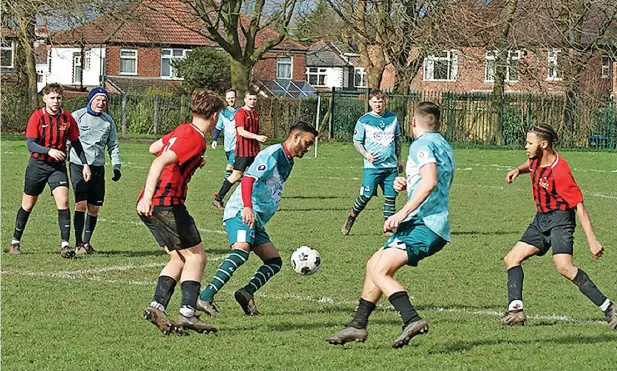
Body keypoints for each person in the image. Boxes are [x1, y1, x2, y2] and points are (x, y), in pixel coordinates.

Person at [326, 102, 454, 348]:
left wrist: (401, 212)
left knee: (380, 271)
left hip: (424, 223)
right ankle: (358, 325)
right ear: (438, 123)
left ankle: (411, 319)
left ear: (413, 122)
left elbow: (430, 181)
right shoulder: (443, 145)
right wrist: (408, 183)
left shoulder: (421, 144)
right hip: (429, 222)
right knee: (373, 264)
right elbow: (433, 181)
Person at [501, 124, 617, 328]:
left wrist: (592, 241)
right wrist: (518, 170)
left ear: (543, 144)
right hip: (541, 220)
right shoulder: (536, 159)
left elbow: (579, 207)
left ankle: (610, 308)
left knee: (564, 267)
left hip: (561, 221)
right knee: (512, 258)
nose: (525, 146)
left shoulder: (561, 171)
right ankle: (516, 311)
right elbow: (531, 165)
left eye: (529, 143)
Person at [197, 122, 318, 317]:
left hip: (256, 218)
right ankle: (204, 297)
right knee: (241, 251)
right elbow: (248, 179)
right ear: (295, 137)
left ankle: (246, 293)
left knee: (273, 261)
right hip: (241, 211)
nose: (308, 147)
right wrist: (247, 207)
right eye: (307, 142)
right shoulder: (273, 154)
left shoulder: (289, 160)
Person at [137, 89, 225, 335]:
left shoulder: (183, 130)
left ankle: (157, 306)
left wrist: (190, 160)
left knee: (179, 258)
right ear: (215, 116)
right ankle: (187, 314)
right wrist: (148, 196)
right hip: (165, 203)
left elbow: (155, 147)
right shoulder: (195, 139)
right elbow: (158, 161)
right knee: (197, 257)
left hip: (153, 205)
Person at [9, 83, 91, 258]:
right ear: (44, 99)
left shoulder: (67, 118)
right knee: (28, 204)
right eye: (52, 98)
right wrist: (49, 151)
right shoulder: (37, 117)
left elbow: (76, 143)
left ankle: (65, 245)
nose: (56, 101)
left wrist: (85, 164)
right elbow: (30, 143)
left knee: (63, 201)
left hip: (57, 167)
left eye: (59, 98)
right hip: (37, 165)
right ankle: (15, 241)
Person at [341, 90, 403, 236]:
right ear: (370, 103)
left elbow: (398, 139)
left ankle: (388, 228)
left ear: (385, 102)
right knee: (366, 196)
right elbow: (357, 142)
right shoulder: (364, 120)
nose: (378, 105)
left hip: (390, 167)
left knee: (390, 197)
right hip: (372, 167)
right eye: (375, 102)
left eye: (380, 101)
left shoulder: (393, 118)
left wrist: (399, 158)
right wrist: (366, 154)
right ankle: (351, 218)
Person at [69, 87, 121, 254]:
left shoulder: (108, 121)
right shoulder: (77, 116)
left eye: (104, 100)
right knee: (80, 204)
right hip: (78, 165)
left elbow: (113, 144)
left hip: (97, 167)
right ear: (91, 100)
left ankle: (86, 242)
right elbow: (68, 141)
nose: (101, 103)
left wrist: (116, 165)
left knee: (94, 208)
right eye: (98, 100)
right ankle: (77, 244)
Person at [212, 90, 268, 210]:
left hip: (254, 151)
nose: (252, 102)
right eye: (250, 99)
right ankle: (218, 199)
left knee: (260, 175)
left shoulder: (256, 114)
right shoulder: (240, 113)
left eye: (254, 99)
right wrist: (257, 137)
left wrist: (258, 144)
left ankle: (259, 202)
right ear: (245, 100)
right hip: (243, 151)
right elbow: (241, 132)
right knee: (236, 175)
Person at [211, 88, 240, 179]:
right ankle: (239, 176)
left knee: (230, 164)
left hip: (238, 144)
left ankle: (226, 182)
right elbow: (219, 127)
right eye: (229, 98)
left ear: (236, 98)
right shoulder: (223, 113)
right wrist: (214, 139)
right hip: (227, 144)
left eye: (233, 98)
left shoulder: (241, 111)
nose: (231, 100)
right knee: (233, 165)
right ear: (226, 99)